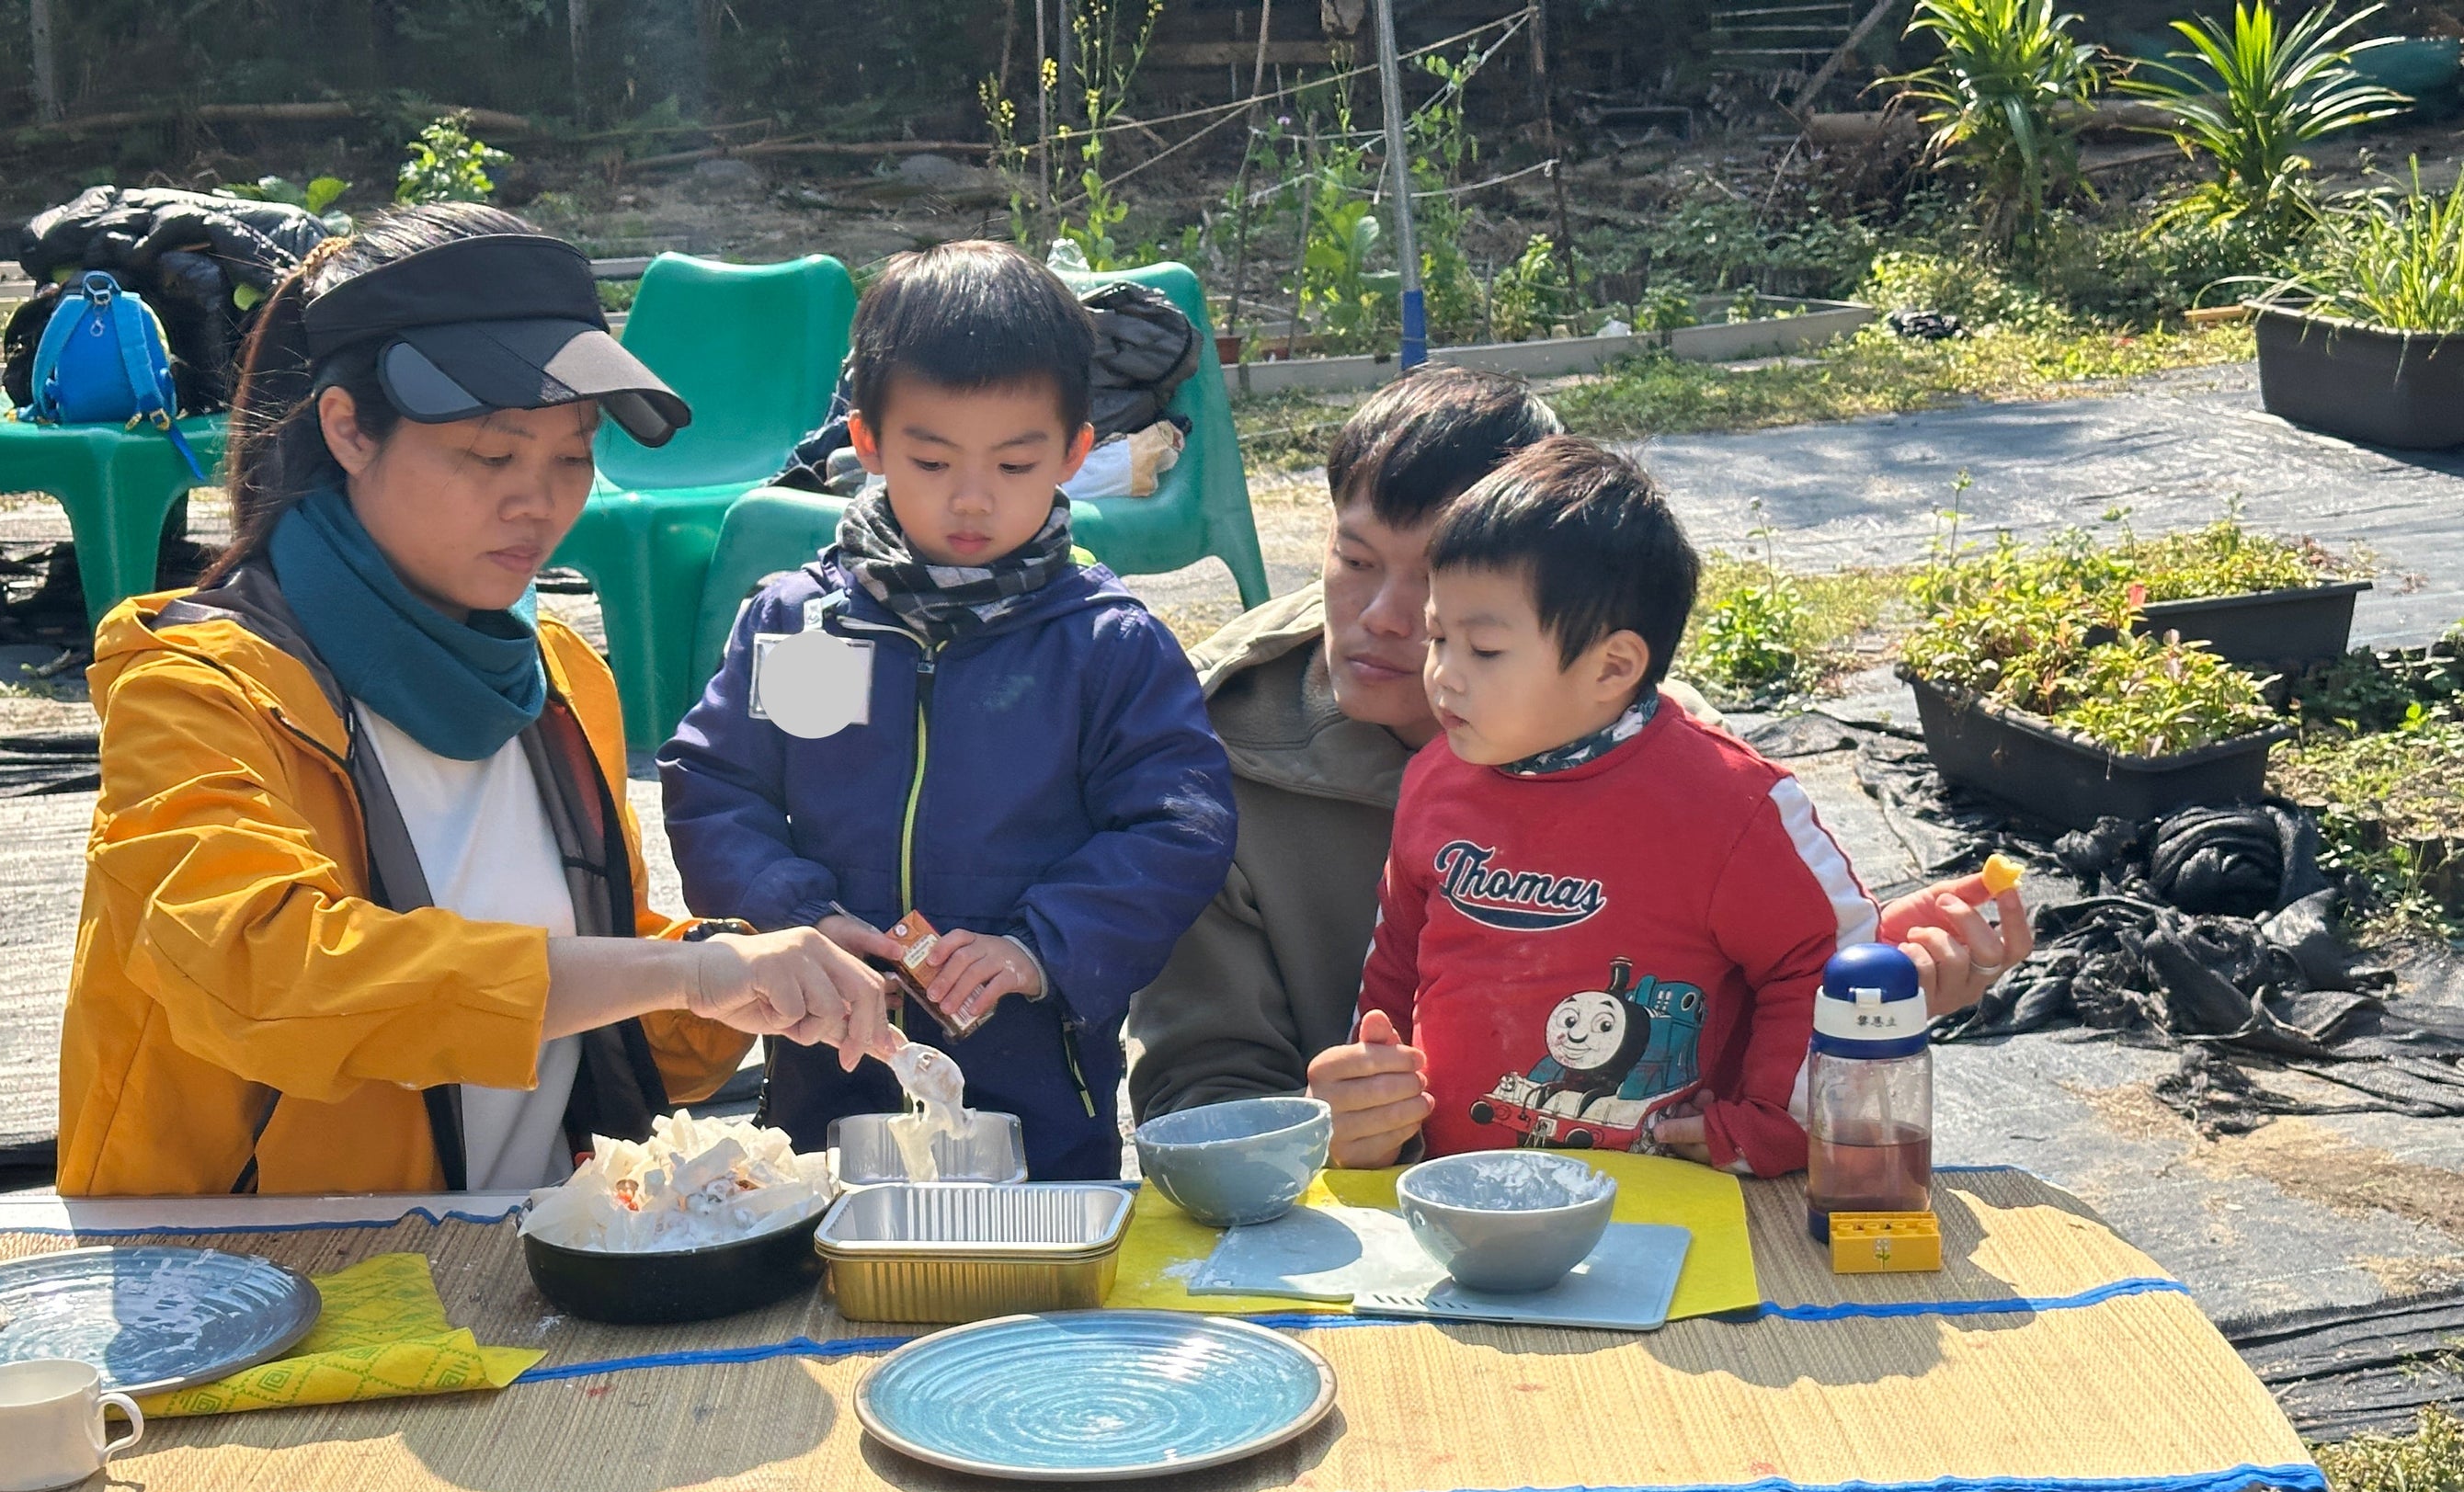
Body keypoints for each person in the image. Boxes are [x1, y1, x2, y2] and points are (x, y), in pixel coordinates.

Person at [58, 205, 895, 1197]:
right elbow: (267, 974)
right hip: (249, 1280)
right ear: (348, 429)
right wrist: (684, 975)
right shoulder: (195, 690)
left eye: (572, 457)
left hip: (511, 1261)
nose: (538, 502)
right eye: (491, 457)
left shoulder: (555, 679)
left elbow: (605, 997)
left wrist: (739, 972)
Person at [1127, 367, 2031, 1124]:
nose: (1388, 620)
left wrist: (1877, 990)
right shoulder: (1208, 761)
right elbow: (1195, 1091)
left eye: (1447, 589)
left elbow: (1734, 1026)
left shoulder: (1662, 752)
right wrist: (1325, 1128)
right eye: (1355, 560)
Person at [662, 242, 1237, 1180]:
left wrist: (1037, 946)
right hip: (826, 1069)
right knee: (828, 1292)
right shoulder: (804, 623)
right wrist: (794, 916)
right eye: (931, 461)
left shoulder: (1104, 646)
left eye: (1015, 464)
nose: (973, 499)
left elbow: (1179, 825)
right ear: (870, 443)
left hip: (1043, 1089)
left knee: (1032, 1309)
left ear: (1075, 454)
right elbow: (716, 785)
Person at [1322, 437, 1865, 1173]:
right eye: (1439, 637)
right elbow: (1395, 960)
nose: (1442, 677)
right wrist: (1372, 1098)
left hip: (1660, 1208)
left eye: (1482, 650)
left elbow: (1835, 953)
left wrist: (1771, 1122)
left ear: (1613, 667)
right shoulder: (1433, 778)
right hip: (1457, 1196)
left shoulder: (1726, 804)